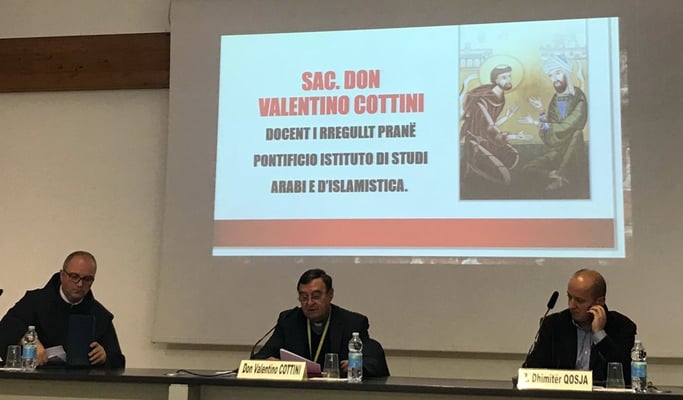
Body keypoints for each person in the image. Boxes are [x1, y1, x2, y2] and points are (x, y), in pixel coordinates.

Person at [252, 268, 389, 377]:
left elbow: (375, 361)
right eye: (304, 297)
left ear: (330, 295)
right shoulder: (289, 321)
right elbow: (260, 357)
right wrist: (268, 362)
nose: (309, 303)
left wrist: (358, 365)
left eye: (316, 296)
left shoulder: (352, 322)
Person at [0, 251, 125, 368]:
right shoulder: (34, 302)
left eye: (87, 279)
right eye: (74, 276)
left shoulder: (99, 315)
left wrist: (105, 357)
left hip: (80, 382)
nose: (80, 284)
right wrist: (28, 341)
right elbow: (6, 328)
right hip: (34, 380)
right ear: (62, 275)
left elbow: (118, 360)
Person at [523, 269, 636, 384]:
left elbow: (626, 376)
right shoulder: (553, 325)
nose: (571, 306)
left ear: (600, 302)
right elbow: (531, 370)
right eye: (569, 297)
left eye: (579, 301)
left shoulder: (622, 327)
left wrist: (600, 335)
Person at [519, 54, 589, 195]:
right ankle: (554, 175)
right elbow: (548, 135)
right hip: (557, 150)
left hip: (572, 150)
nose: (554, 78)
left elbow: (568, 126)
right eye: (550, 75)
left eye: (557, 72)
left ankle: (562, 176)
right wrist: (541, 111)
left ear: (566, 73)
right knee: (528, 169)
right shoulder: (554, 101)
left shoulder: (578, 97)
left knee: (577, 134)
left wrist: (536, 123)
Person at [460, 64, 520, 185]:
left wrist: (507, 116)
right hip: (477, 138)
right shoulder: (483, 99)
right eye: (504, 77)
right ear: (495, 80)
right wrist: (512, 136)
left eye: (509, 76)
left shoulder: (501, 97)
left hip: (488, 134)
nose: (508, 80)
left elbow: (490, 125)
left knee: (508, 157)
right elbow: (491, 126)